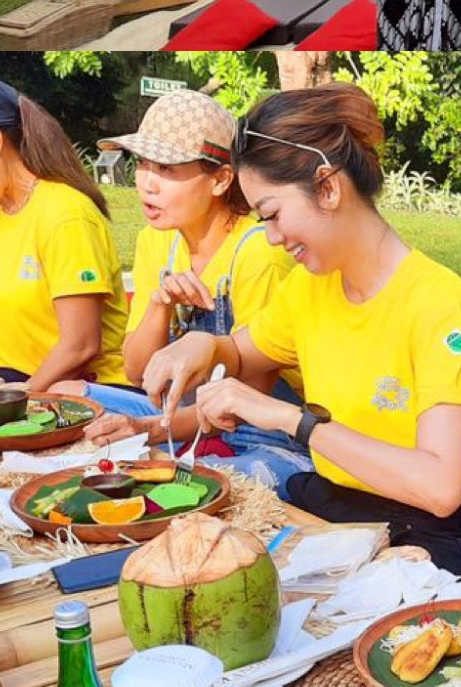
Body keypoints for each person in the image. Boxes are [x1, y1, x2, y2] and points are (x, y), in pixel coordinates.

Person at [136, 85, 461, 576]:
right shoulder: (310, 287)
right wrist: (204, 343)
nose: (275, 239)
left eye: (273, 215)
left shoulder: (438, 303)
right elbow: (240, 354)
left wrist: (292, 419)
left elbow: (440, 487)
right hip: (333, 508)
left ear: (327, 187)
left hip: (420, 536)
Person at [82, 90, 307, 486]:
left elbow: (244, 403)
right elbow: (137, 371)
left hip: (260, 430)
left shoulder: (257, 252)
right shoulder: (158, 240)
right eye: (143, 164)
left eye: (167, 169)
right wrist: (158, 303)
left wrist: (147, 430)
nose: (147, 183)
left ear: (221, 179)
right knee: (72, 397)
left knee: (198, 483)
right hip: (181, 412)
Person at [0, 70, 128, 396]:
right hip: (15, 384)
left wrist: (16, 400)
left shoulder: (65, 214)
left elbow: (80, 345)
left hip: (88, 391)